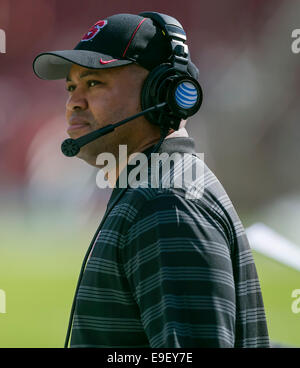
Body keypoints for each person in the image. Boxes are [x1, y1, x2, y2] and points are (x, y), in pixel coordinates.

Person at [33, 12, 270, 348]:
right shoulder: (152, 191)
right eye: (71, 86)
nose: (73, 102)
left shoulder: (165, 204)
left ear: (162, 92)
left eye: (94, 83)